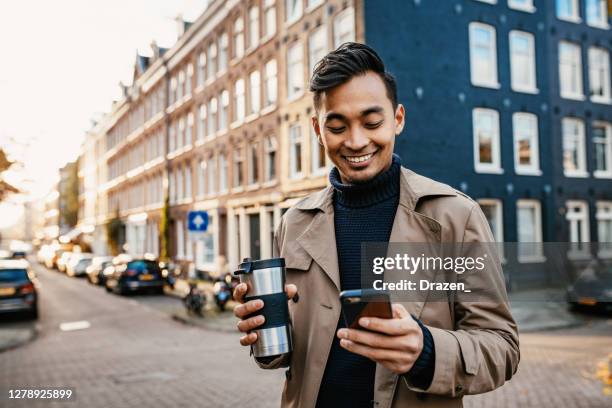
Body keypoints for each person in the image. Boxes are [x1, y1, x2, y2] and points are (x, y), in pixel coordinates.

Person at [233, 42, 519, 408]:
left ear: (398, 118)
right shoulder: (294, 223)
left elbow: (502, 348)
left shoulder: (454, 218)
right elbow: (288, 356)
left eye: (372, 123)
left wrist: (427, 352)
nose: (356, 141)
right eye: (337, 126)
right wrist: (263, 333)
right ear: (317, 130)